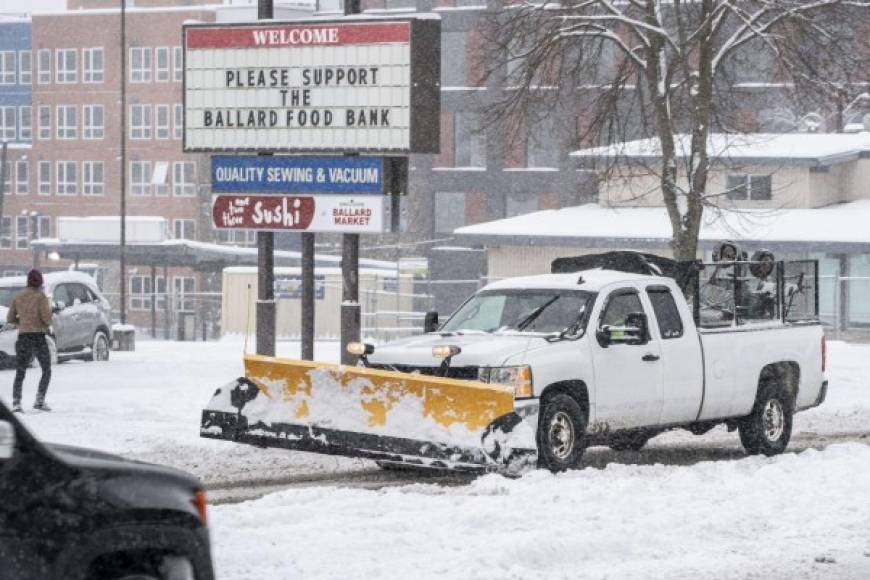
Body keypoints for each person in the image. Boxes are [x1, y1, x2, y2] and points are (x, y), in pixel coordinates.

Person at [6, 269, 53, 413]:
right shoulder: (41, 297)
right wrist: (46, 321)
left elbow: (10, 318)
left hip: (24, 337)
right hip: (38, 337)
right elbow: (46, 318)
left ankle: (16, 402)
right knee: (46, 369)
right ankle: (39, 400)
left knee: (20, 371)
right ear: (40, 282)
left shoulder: (18, 297)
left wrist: (22, 322)